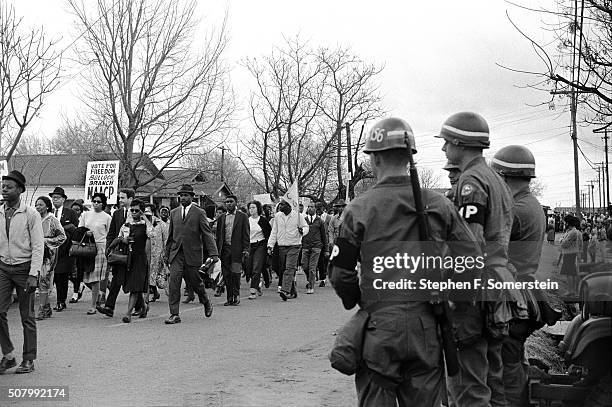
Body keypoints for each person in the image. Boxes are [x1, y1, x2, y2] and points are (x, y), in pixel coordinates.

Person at [329, 118, 481, 406]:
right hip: (427, 326)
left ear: (374, 159)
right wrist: (452, 301)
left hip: (379, 327)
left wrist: (359, 303)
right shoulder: (438, 203)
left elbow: (340, 274)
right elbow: (471, 262)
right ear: (410, 156)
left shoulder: (359, 208)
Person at [436, 112, 517, 407]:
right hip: (494, 289)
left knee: (467, 386)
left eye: (446, 142)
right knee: (492, 379)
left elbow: (469, 243)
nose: (444, 148)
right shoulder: (494, 178)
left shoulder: (470, 182)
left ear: (460, 142)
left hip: (471, 293)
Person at [490, 145, 547, 406]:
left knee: (504, 373)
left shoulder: (515, 210)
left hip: (510, 299)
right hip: (520, 295)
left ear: (503, 176)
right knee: (513, 365)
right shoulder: (529, 204)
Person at [0, 170, 43, 374]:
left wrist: (34, 273)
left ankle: (29, 359)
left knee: (27, 315)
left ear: (20, 190)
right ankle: (8, 356)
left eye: (9, 187)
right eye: (3, 186)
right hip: (3, 268)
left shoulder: (31, 214)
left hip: (25, 269)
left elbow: (38, 246)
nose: (4, 189)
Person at [163, 184, 217, 324]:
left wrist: (213, 254)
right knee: (174, 283)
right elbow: (170, 236)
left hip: (192, 254)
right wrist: (166, 253)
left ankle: (205, 301)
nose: (183, 197)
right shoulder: (174, 212)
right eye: (181, 195)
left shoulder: (199, 213)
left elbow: (207, 233)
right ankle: (174, 314)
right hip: (176, 254)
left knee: (196, 282)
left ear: (192, 197)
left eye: (186, 195)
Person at [97, 189, 135, 317]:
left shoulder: (137, 212)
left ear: (130, 199)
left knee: (133, 280)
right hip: (119, 252)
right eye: (120, 198)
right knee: (117, 279)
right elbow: (112, 233)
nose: (120, 200)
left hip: (134, 252)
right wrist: (109, 248)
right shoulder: (117, 214)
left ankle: (141, 306)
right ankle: (109, 307)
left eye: (123, 198)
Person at [115, 199, 154, 323]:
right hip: (128, 257)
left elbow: (152, 234)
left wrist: (145, 218)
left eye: (137, 210)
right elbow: (120, 236)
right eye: (132, 210)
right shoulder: (127, 224)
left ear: (141, 211)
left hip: (140, 257)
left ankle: (128, 314)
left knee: (135, 287)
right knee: (132, 285)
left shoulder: (145, 224)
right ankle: (144, 306)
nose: (134, 213)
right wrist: (123, 240)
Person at [267, 198, 309, 301]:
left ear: (289, 206)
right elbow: (274, 231)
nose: (280, 206)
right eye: (280, 205)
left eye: (282, 205)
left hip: (294, 245)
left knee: (289, 268)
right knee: (283, 267)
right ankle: (293, 291)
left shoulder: (298, 216)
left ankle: (285, 290)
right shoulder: (278, 216)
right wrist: (270, 245)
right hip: (281, 245)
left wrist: (302, 230)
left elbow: (306, 227)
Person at [78, 192, 112, 315]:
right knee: (86, 278)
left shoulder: (107, 217)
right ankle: (103, 291)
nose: (96, 203)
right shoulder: (85, 215)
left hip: (100, 248)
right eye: (94, 201)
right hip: (87, 247)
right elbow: (79, 230)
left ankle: (93, 305)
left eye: (98, 202)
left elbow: (110, 234)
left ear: (103, 204)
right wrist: (85, 233)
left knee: (95, 278)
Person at [34, 196, 66, 320]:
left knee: (43, 279)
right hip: (35, 253)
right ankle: (47, 307)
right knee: (36, 280)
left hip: (47, 255)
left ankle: (42, 309)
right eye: (36, 205)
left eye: (40, 205)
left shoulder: (52, 220)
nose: (38, 207)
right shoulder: (34, 219)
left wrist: (45, 241)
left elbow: (62, 237)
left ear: (47, 206)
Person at [215, 194, 250, 306]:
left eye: (231, 201)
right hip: (225, 250)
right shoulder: (221, 218)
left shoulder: (242, 216)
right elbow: (219, 236)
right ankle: (229, 297)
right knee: (226, 274)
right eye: (227, 202)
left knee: (235, 274)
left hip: (237, 250)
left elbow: (246, 234)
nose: (229, 204)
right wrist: (216, 251)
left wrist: (246, 249)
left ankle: (236, 295)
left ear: (236, 203)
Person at [49, 186, 79, 311]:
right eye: (53, 198)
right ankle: (58, 300)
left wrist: (65, 229)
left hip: (65, 249)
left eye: (57, 198)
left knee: (63, 276)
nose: (55, 200)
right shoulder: (49, 212)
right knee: (55, 276)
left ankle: (61, 300)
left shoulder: (70, 213)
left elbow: (75, 230)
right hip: (52, 248)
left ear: (63, 199)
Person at [246, 200, 272, 299]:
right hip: (249, 245)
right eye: (250, 208)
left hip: (260, 245)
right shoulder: (246, 220)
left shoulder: (263, 220)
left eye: (253, 207)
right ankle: (259, 284)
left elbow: (269, 234)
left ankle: (253, 291)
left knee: (256, 267)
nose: (251, 210)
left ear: (258, 209)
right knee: (249, 267)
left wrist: (269, 247)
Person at [301, 202, 328, 294]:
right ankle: (311, 278)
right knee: (304, 265)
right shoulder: (303, 220)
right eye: (308, 207)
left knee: (312, 267)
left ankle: (311, 285)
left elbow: (324, 236)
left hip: (316, 247)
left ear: (315, 209)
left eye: (312, 207)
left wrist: (326, 250)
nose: (310, 208)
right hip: (305, 246)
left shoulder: (320, 221)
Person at [559, 214, 582, 296]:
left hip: (570, 254)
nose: (564, 224)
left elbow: (564, 243)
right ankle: (571, 290)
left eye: (565, 222)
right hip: (568, 253)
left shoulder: (573, 232)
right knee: (570, 273)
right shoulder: (569, 231)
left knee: (570, 273)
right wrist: (562, 240)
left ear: (568, 223)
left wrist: (561, 240)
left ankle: (571, 290)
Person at [315, 202, 331, 287]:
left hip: (326, 242)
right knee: (317, 261)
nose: (318, 211)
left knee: (324, 261)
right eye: (316, 209)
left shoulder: (328, 218)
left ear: (322, 208)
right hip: (317, 242)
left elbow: (330, 230)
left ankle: (323, 279)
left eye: (319, 209)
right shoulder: (315, 218)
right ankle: (316, 275)